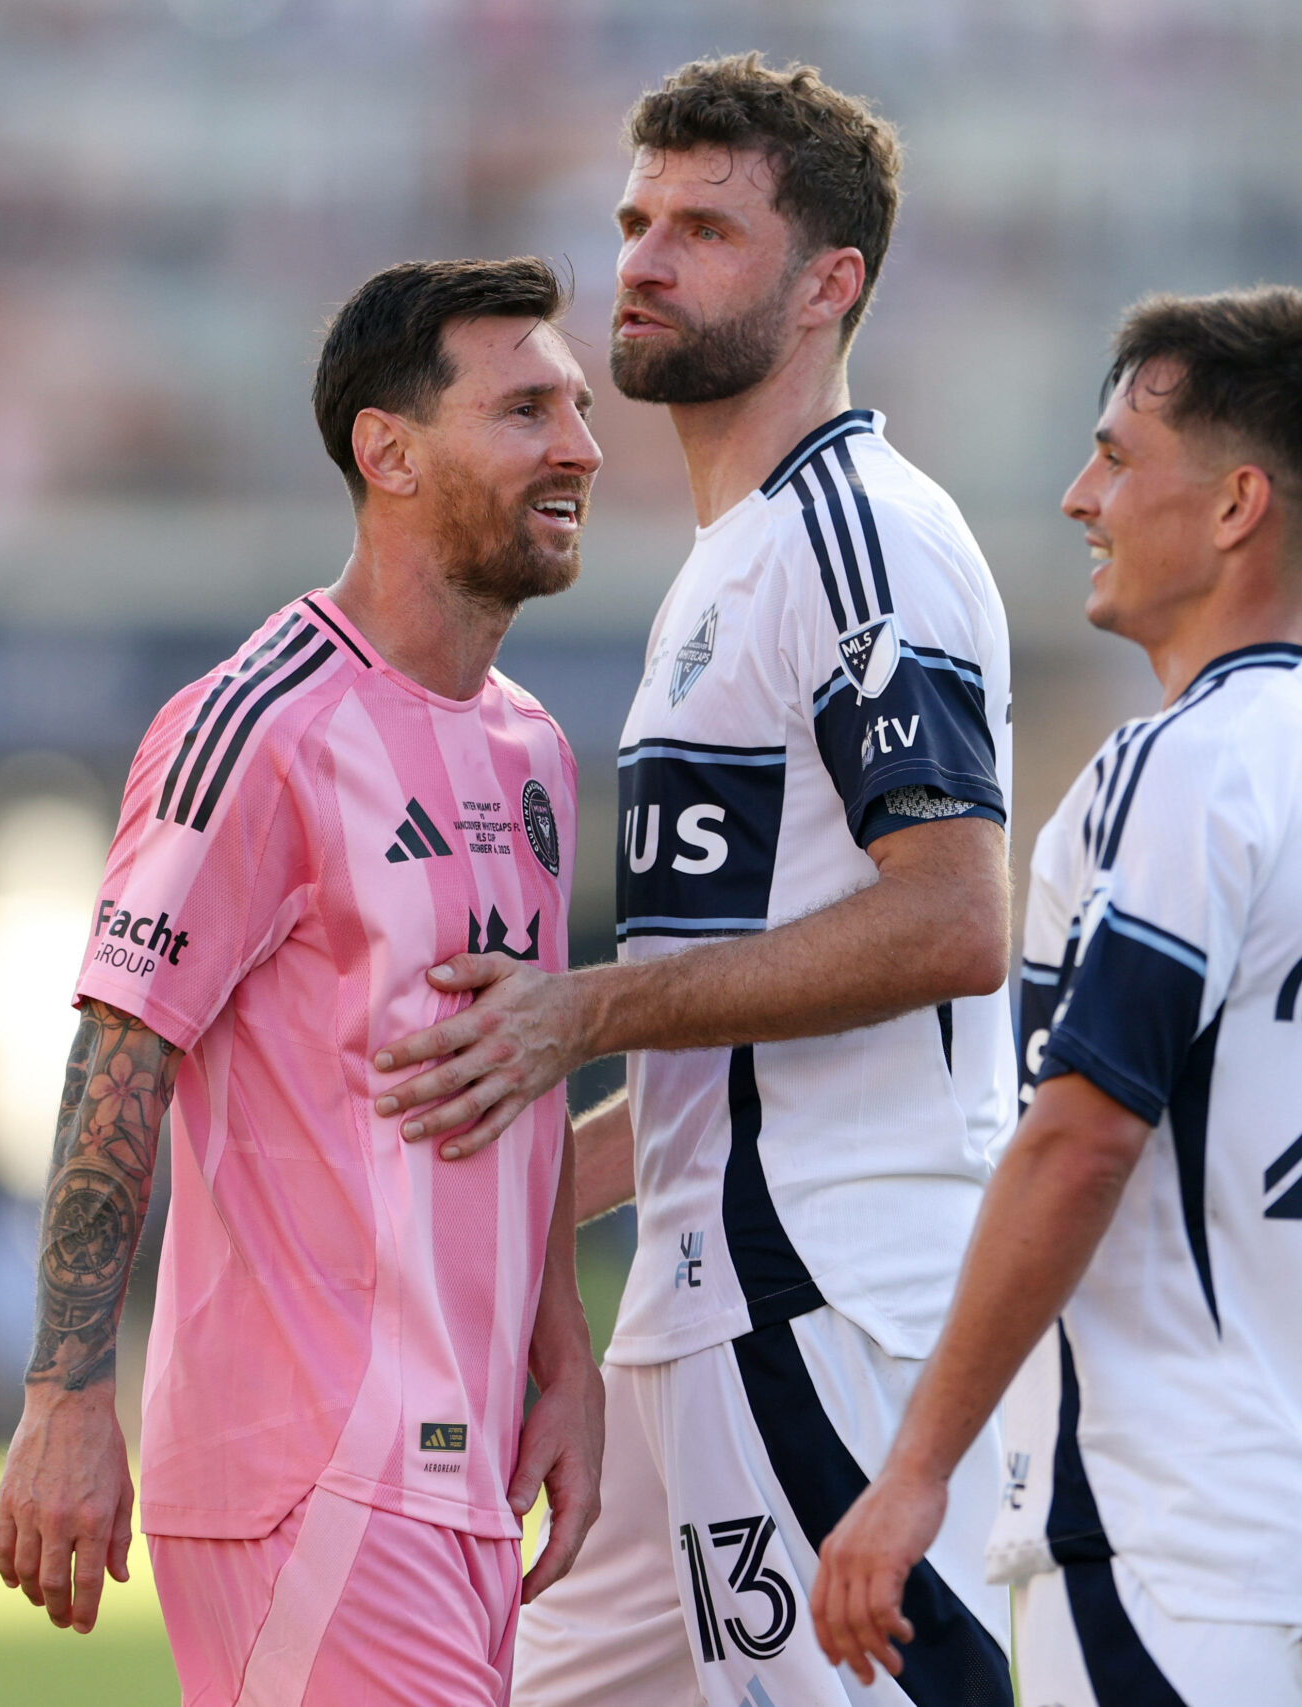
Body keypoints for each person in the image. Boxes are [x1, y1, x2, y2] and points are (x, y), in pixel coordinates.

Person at [374, 54, 1016, 1707]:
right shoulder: (726, 562)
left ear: (830, 283)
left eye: (706, 228)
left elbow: (952, 914)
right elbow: (717, 1038)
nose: (644, 262)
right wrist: (506, 1172)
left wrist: (582, 1008)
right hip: (703, 1289)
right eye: (635, 219)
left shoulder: (857, 535)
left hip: (825, 1289)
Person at [810, 288, 1302, 1707]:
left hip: (1167, 1538)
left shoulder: (1178, 771)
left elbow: (1081, 1137)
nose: (1082, 495)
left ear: (1236, 503)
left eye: (1121, 457)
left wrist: (916, 1469)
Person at [0, 256, 607, 1707]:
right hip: (311, 1469)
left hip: (461, 1472)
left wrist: (560, 1360)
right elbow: (118, 1050)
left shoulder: (536, 750)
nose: (581, 442)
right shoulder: (253, 723)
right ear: (386, 451)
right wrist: (68, 1389)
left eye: (576, 405)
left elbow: (523, 1091)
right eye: (526, 408)